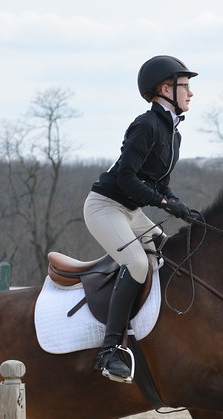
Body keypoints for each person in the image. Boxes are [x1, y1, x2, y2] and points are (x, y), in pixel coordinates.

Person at [83, 55, 199, 383]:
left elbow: (160, 185)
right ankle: (109, 352)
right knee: (137, 264)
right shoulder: (146, 124)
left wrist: (180, 206)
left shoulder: (173, 134)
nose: (191, 94)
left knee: (169, 253)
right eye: (185, 86)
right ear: (165, 88)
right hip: (105, 207)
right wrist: (164, 202)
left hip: (131, 212)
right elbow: (126, 179)